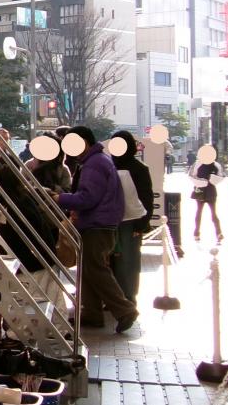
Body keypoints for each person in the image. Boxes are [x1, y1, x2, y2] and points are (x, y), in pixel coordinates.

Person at [54, 126, 139, 333]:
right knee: (89, 269)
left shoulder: (94, 164)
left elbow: (88, 197)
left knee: (95, 268)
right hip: (100, 224)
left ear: (85, 141)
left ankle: (125, 309)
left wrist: (60, 198)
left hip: (96, 225)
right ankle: (92, 313)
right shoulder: (98, 161)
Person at [110, 130, 154, 303]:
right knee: (113, 261)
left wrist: (142, 224)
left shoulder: (139, 168)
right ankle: (114, 297)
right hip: (110, 221)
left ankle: (128, 297)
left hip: (131, 223)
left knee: (128, 261)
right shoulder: (109, 165)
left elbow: (146, 197)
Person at [189, 150, 224, 242]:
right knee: (199, 211)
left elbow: (221, 176)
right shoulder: (197, 164)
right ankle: (196, 233)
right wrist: (202, 181)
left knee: (213, 212)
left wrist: (213, 179)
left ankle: (219, 233)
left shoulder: (216, 165)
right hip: (200, 189)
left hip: (211, 190)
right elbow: (191, 176)